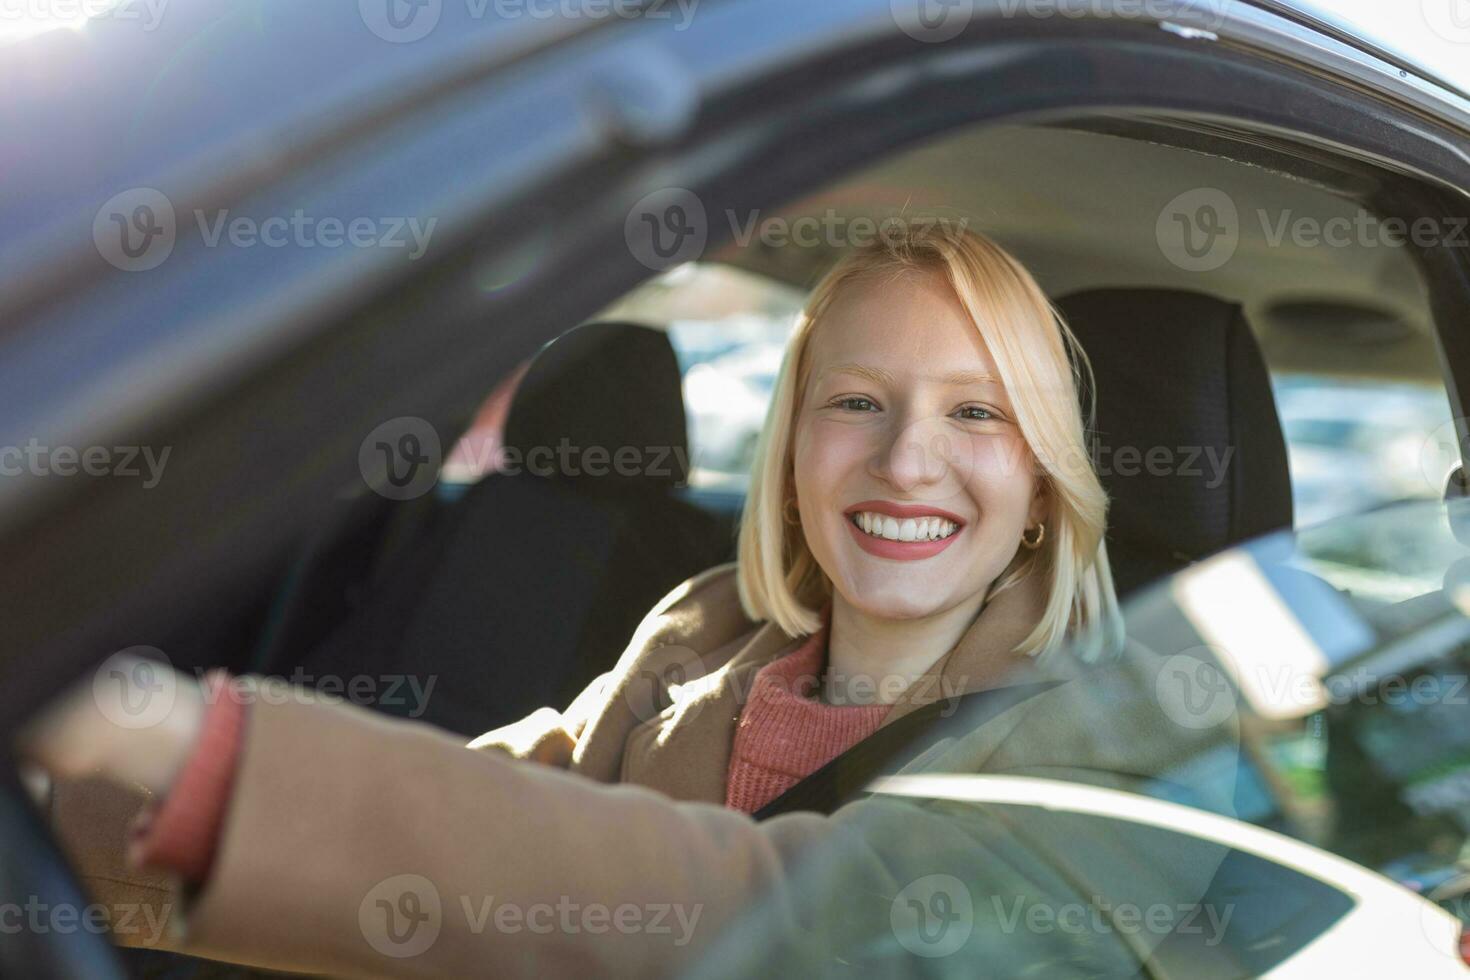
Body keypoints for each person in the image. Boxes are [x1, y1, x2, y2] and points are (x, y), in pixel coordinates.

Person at [21, 224, 1229, 977]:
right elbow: (478, 823)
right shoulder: (697, 638)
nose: (906, 459)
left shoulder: (1141, 737)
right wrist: (49, 816)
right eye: (856, 400)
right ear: (792, 448)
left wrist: (182, 738)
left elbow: (800, 928)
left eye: (977, 412)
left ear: (1040, 483)